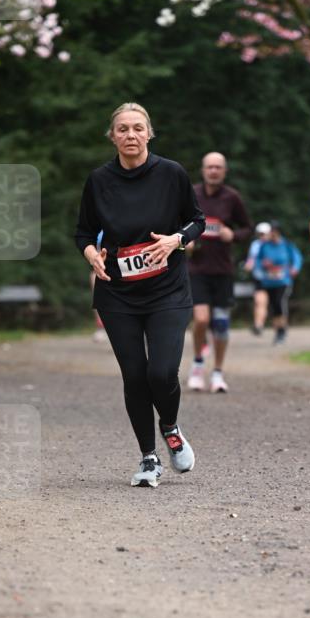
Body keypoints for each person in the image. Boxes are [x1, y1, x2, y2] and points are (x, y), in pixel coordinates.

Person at [75, 102, 205, 487]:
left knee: (161, 372)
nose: (130, 135)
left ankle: (170, 427)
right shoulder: (99, 180)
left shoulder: (172, 174)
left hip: (167, 289)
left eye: (137, 128)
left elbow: (198, 220)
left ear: (149, 133)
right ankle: (148, 458)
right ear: (112, 136)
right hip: (118, 293)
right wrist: (91, 256)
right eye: (122, 129)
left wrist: (176, 240)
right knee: (134, 375)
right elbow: (83, 232)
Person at [186, 152, 252, 393]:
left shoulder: (232, 198)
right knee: (202, 319)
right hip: (197, 269)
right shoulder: (191, 194)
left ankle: (218, 373)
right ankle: (197, 364)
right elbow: (177, 223)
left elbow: (247, 228)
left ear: (224, 171)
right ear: (203, 170)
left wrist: (233, 235)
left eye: (218, 167)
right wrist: (185, 241)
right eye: (209, 167)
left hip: (223, 270)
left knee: (222, 324)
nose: (213, 171)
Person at [253, 220, 303, 343]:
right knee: (274, 306)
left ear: (276, 232)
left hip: (284, 280)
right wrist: (263, 265)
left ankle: (282, 330)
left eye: (271, 232)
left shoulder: (286, 244)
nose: (269, 234)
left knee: (280, 302)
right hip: (269, 281)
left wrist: (295, 268)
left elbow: (297, 257)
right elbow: (258, 260)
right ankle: (278, 331)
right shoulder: (264, 246)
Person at [244, 221, 272, 335]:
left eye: (264, 234)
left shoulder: (274, 245)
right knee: (260, 302)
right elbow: (252, 258)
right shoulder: (256, 244)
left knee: (270, 304)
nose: (262, 236)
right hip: (260, 278)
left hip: (275, 279)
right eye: (260, 234)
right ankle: (258, 324)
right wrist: (249, 265)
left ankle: (278, 327)